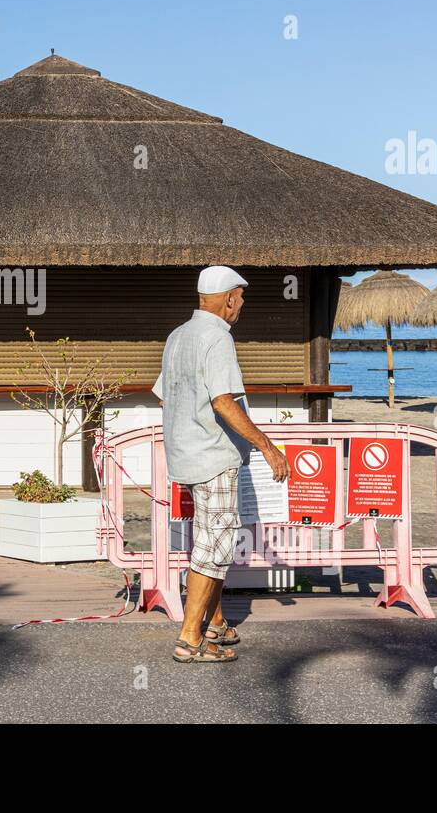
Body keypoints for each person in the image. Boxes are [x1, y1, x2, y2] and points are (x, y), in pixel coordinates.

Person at [153, 266, 291, 664]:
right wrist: (268, 446)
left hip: (185, 454)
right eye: (241, 298)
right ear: (229, 298)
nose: (242, 305)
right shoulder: (217, 338)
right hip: (213, 457)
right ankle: (189, 638)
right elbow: (222, 401)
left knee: (209, 538)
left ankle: (213, 622)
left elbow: (167, 396)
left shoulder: (179, 335)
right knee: (214, 546)